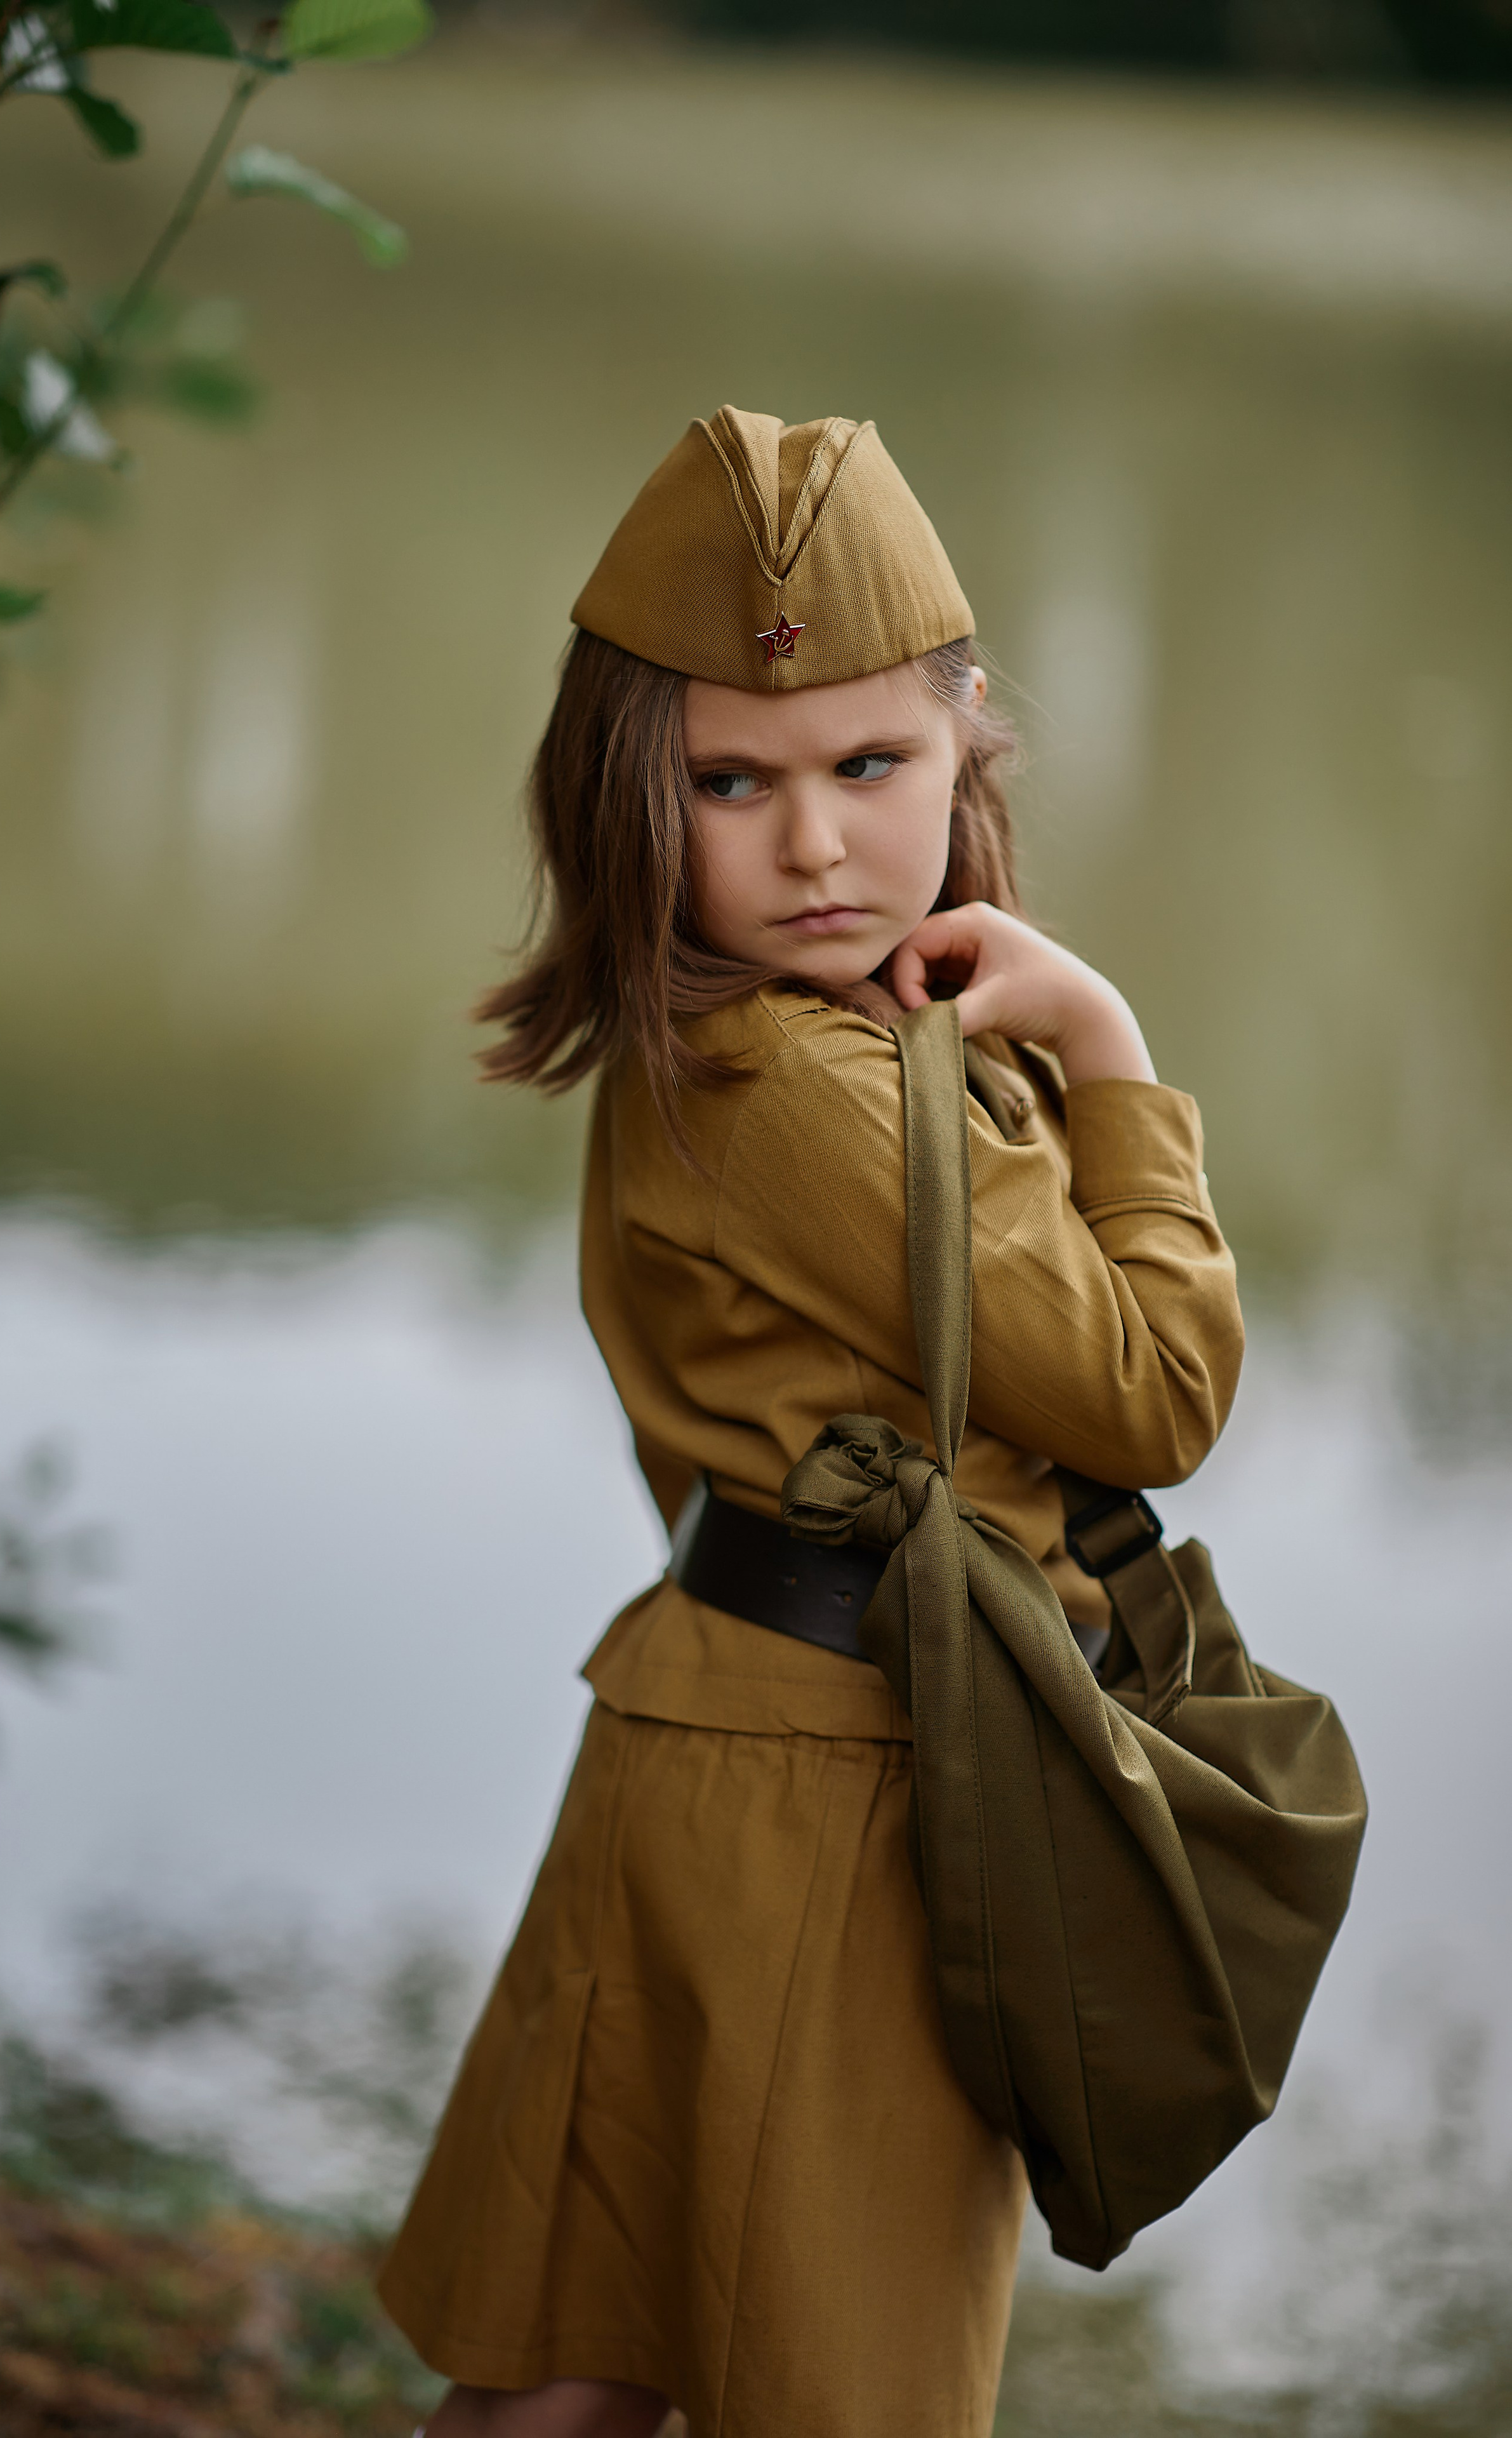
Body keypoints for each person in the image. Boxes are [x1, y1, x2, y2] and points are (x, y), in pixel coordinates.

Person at [378, 408, 1245, 2438]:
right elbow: (1163, 1388)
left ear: (967, 754)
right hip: (851, 1806)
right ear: (628, 801)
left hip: (711, 1721)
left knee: (580, 2368)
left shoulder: (731, 1037)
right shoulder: (809, 1093)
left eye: (872, 767)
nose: (817, 842)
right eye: (730, 783)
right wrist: (1108, 1046)